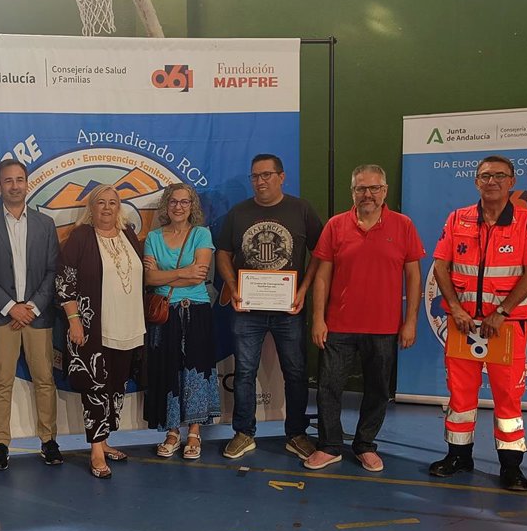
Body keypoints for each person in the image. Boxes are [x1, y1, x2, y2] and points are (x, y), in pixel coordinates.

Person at [428, 156, 527, 489]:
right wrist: (455, 308)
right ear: (476, 181)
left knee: (508, 399)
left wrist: (501, 312)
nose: (491, 181)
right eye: (485, 176)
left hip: (505, 327)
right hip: (462, 325)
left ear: (512, 182)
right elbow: (440, 266)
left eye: (499, 176)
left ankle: (511, 466)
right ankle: (458, 456)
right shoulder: (457, 219)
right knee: (460, 396)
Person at [308, 164, 424, 473]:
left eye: (374, 188)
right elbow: (322, 277)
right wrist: (318, 318)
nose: (368, 194)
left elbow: (414, 277)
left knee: (378, 390)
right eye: (361, 188)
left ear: (385, 191)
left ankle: (365, 445)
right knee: (328, 388)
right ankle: (329, 446)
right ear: (353, 192)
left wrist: (410, 321)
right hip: (338, 326)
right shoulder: (335, 225)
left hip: (384, 328)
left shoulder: (404, 225)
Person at [216, 154, 323, 462]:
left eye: (266, 175)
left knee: (296, 372)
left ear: (281, 176)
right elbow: (223, 253)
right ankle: (244, 433)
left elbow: (321, 252)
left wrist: (303, 290)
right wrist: (233, 287)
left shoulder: (301, 210)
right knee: (244, 372)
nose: (260, 181)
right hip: (247, 309)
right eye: (255, 176)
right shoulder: (238, 213)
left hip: (288, 309)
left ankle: (296, 433)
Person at [0, 159, 63, 470]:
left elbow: (52, 271)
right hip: (3, 317)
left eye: (19, 179)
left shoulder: (45, 224)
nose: (14, 186)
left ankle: (49, 440)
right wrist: (11, 307)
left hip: (38, 315)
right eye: (8, 181)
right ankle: (0, 444)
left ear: (27, 183)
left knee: (45, 380)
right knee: (0, 382)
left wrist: (32, 308)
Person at [56, 185, 146, 479]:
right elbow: (65, 283)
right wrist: (74, 321)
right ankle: (96, 450)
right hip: (94, 328)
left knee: (116, 386)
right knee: (95, 387)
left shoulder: (128, 235)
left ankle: (105, 441)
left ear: (119, 207)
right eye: (101, 203)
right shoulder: (81, 237)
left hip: (128, 326)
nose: (107, 208)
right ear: (91, 208)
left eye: (112, 202)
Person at [142, 183, 218, 459]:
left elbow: (200, 276)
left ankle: (194, 433)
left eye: (184, 202)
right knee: (167, 369)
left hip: (197, 311)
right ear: (166, 205)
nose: (178, 207)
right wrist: (184, 271)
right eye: (173, 201)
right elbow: (150, 278)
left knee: (196, 370)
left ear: (192, 206)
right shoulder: (153, 237)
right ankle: (172, 432)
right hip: (164, 314)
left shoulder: (201, 234)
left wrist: (166, 276)